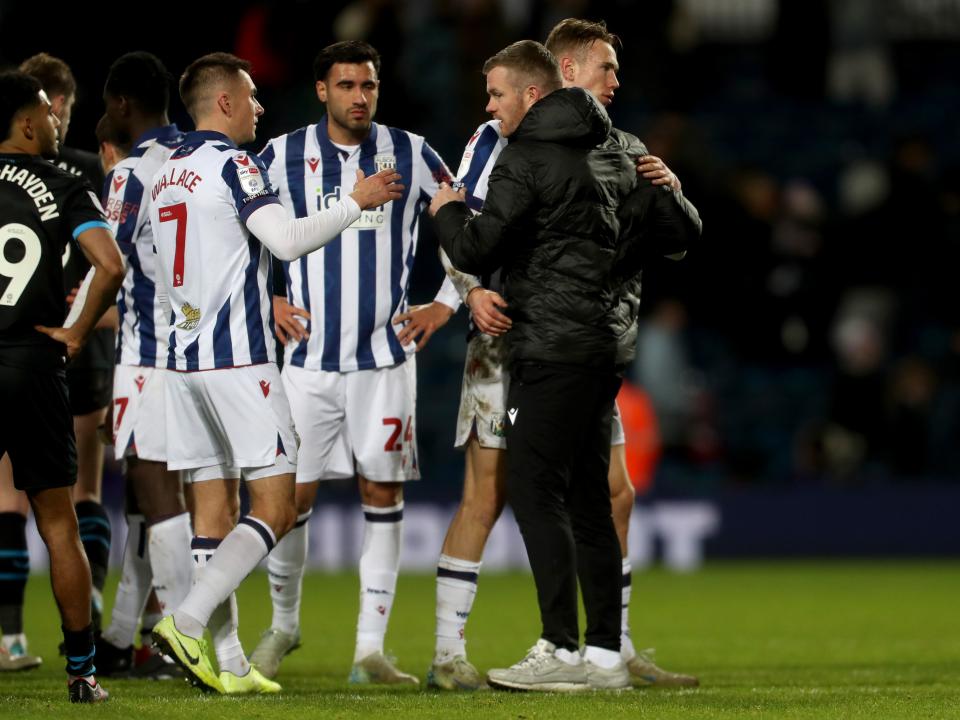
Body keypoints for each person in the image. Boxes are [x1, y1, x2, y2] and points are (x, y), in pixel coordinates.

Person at [427, 19, 701, 690]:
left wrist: (447, 215)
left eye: (496, 94)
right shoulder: (603, 147)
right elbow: (677, 235)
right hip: (585, 343)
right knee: (564, 494)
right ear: (569, 73)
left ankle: (567, 645)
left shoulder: (542, 149)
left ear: (536, 86)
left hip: (549, 341)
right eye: (607, 67)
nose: (617, 79)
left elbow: (472, 239)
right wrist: (467, 296)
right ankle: (594, 654)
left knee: (550, 487)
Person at [147, 51, 402, 695]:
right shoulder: (232, 165)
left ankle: (229, 661)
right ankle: (187, 619)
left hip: (181, 365)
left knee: (214, 511)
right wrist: (355, 200)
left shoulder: (165, 172)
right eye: (253, 96)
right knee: (277, 506)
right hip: (239, 362)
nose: (261, 107)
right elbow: (285, 240)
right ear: (225, 102)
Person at [249, 40, 465, 685]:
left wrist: (447, 303)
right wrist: (270, 298)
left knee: (383, 494)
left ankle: (370, 650)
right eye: (346, 85)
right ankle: (283, 627)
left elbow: (468, 227)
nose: (359, 97)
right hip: (308, 362)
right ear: (322, 91)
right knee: (288, 501)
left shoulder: (413, 151)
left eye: (367, 85)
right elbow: (235, 232)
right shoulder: (282, 154)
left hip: (385, 361)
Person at [0, 70, 123, 702]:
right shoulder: (67, 183)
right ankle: (82, 672)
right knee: (57, 521)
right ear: (28, 122)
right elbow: (111, 264)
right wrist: (75, 334)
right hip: (32, 362)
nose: (56, 123)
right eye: (49, 114)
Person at [87, 53, 194, 680]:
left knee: (156, 496)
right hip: (215, 356)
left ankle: (181, 636)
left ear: (122, 104)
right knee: (154, 498)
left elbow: (111, 270)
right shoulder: (204, 158)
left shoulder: (130, 175)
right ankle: (126, 632)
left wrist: (71, 330)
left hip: (151, 356)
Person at [19, 53, 114, 632]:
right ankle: (92, 623)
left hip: (15, 341)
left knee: (9, 497)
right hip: (77, 345)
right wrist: (84, 323)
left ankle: (8, 633)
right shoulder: (82, 175)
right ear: (54, 107)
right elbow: (115, 263)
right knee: (83, 492)